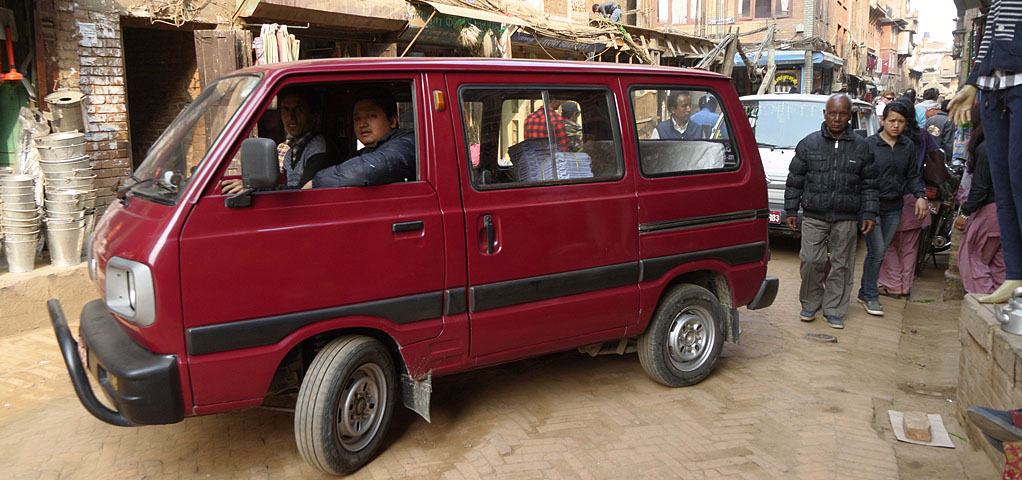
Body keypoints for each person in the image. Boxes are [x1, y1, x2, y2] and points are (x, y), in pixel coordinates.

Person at [784, 94, 879, 329]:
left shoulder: (862, 147)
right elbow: (795, 180)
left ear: (850, 116)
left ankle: (834, 308)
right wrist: (790, 210)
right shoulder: (809, 143)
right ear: (825, 114)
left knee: (842, 264)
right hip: (815, 214)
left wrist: (868, 213)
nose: (837, 118)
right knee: (810, 261)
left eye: (842, 114)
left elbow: (870, 184)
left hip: (846, 217)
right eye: (832, 113)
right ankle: (810, 301)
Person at [949, 0, 1022, 304]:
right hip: (992, 89)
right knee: (1003, 187)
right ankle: (1015, 274)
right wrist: (973, 83)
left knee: (1019, 178)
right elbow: (989, 37)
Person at [857, 100, 928, 315]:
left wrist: (920, 196)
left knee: (878, 251)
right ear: (882, 121)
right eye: (892, 121)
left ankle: (864, 290)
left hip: (894, 207)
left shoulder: (906, 146)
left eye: (901, 121)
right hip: (870, 207)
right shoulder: (869, 144)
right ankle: (870, 295)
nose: (896, 125)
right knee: (878, 250)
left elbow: (912, 175)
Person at [877, 98, 941, 299]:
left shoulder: (891, 139)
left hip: (895, 197)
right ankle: (905, 286)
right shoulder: (923, 136)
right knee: (909, 246)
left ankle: (893, 284)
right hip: (917, 196)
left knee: (887, 245)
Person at [222, 86, 334, 193]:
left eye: (298, 109)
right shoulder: (290, 151)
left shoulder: (319, 147)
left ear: (314, 116)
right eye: (286, 110)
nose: (291, 117)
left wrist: (254, 188)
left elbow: (304, 192)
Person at [310, 88, 415, 188]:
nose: (362, 124)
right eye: (357, 118)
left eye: (371, 116)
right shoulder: (363, 153)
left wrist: (315, 183)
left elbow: (371, 167)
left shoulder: (406, 144)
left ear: (392, 121)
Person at [955, 103, 1005, 294]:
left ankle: (982, 301)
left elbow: (980, 188)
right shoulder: (1006, 146)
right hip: (1006, 212)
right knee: (999, 264)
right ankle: (1000, 303)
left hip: (989, 211)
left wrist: (966, 213)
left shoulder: (986, 149)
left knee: (972, 258)